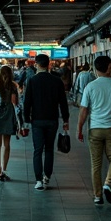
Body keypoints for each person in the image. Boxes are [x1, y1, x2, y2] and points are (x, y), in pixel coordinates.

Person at [77, 54, 111, 205]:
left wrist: (79, 128)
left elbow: (84, 110)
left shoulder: (90, 87)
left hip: (95, 129)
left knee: (96, 164)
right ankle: (108, 183)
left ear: (96, 69)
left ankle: (98, 196)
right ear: (110, 67)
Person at [22, 53, 70, 190]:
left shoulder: (32, 81)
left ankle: (38, 180)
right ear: (48, 64)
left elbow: (27, 103)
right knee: (49, 149)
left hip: (37, 120)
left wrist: (26, 120)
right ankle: (47, 177)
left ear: (36, 65)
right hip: (52, 120)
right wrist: (65, 119)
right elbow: (63, 103)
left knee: (37, 150)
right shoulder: (57, 81)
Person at [0, 64, 20, 181]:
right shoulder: (13, 86)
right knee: (7, 144)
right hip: (8, 115)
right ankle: (4, 170)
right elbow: (14, 103)